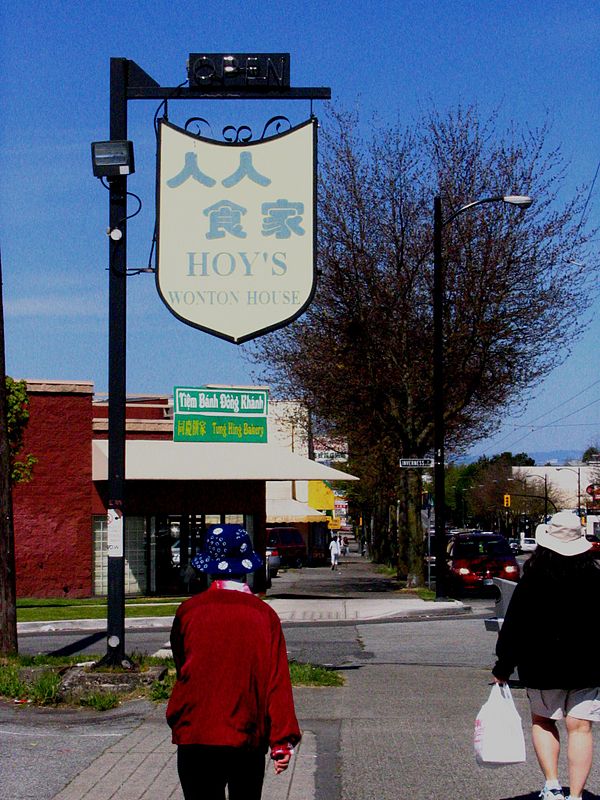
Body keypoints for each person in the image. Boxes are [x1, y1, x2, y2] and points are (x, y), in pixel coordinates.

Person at [166, 524, 301, 800]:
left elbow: (183, 665)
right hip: (246, 734)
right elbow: (276, 682)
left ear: (208, 567)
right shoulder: (264, 616)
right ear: (247, 567)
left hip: (196, 732)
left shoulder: (189, 612)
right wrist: (281, 741)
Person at [492, 511, 600, 800]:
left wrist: (503, 665)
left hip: (541, 664)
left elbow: (515, 625)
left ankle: (552, 785)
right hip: (588, 665)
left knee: (543, 720)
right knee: (580, 729)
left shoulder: (534, 579)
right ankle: (576, 795)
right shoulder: (595, 577)